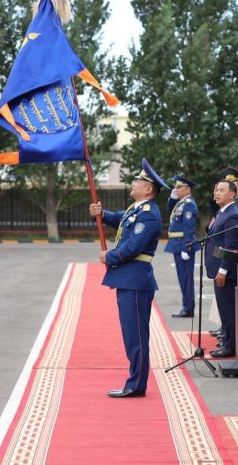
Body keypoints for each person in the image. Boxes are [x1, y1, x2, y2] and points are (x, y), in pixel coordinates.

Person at [89, 158, 166, 398]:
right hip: (128, 279)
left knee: (136, 336)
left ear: (148, 188)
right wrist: (102, 213)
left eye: (138, 180)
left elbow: (133, 247)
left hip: (135, 280)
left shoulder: (150, 215)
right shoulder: (137, 210)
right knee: (131, 333)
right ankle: (135, 381)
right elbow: (121, 219)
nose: (134, 183)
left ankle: (136, 384)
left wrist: (109, 256)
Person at [204, 179, 238, 358]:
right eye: (216, 189)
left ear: (232, 194)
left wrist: (223, 270)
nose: (216, 193)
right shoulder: (222, 212)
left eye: (221, 190)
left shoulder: (232, 215)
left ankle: (230, 346)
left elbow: (231, 245)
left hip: (225, 271)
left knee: (228, 311)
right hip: (219, 269)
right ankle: (227, 342)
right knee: (224, 310)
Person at [166, 175, 200, 318]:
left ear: (187, 189)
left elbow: (189, 228)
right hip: (176, 244)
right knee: (182, 277)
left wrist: (187, 247)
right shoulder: (181, 203)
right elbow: (168, 213)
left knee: (186, 278)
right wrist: (172, 198)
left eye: (179, 187)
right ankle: (186, 306)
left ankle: (188, 307)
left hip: (183, 245)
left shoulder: (189, 204)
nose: (176, 189)